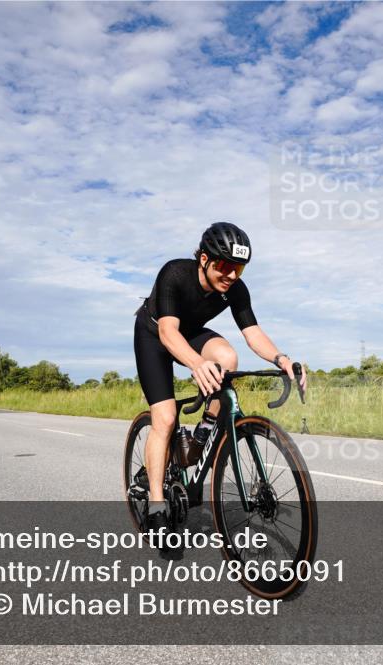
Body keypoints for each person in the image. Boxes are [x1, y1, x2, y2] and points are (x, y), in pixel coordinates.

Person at [133, 222, 305, 543]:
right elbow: (169, 332)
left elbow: (252, 334)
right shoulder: (175, 274)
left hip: (190, 332)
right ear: (204, 260)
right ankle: (156, 502)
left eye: (238, 268)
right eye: (224, 266)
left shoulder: (235, 288)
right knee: (166, 418)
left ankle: (205, 429)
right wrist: (196, 363)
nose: (231, 275)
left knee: (228, 358)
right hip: (154, 334)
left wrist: (282, 359)